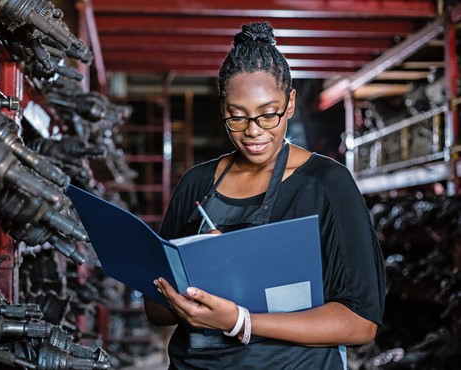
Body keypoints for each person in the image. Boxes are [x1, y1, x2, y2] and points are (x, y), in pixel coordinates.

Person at [144, 21, 386, 369]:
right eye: (237, 117)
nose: (253, 131)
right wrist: (194, 279)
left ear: (289, 103)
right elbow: (156, 310)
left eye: (268, 114)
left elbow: (361, 322)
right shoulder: (196, 184)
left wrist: (241, 322)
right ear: (223, 108)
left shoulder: (327, 185)